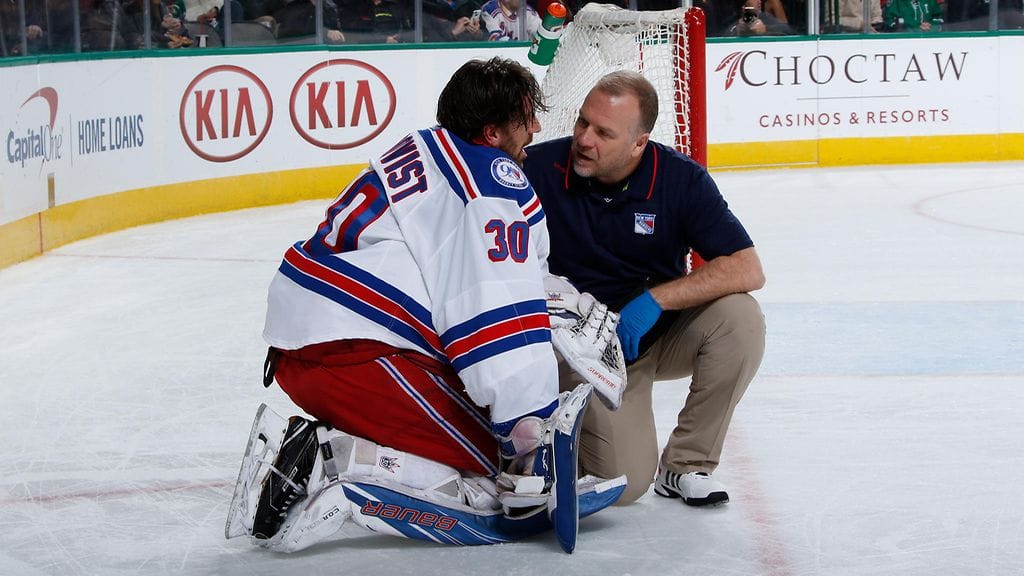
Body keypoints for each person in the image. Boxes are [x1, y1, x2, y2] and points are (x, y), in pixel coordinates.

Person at [226, 57, 620, 553]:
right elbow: (492, 310)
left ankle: (332, 451)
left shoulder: (428, 147)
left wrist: (554, 292)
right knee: (496, 469)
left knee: (494, 441)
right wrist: (530, 425)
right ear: (492, 131)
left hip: (314, 346)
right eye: (526, 118)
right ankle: (329, 461)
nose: (538, 128)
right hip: (354, 356)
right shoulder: (490, 179)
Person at [522, 71, 766, 507]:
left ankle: (685, 465)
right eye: (582, 123)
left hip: (651, 338)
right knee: (623, 484)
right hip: (581, 350)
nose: (583, 139)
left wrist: (656, 300)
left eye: (603, 132)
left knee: (740, 319)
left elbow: (747, 268)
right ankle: (543, 439)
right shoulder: (538, 169)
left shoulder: (679, 179)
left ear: (639, 143)